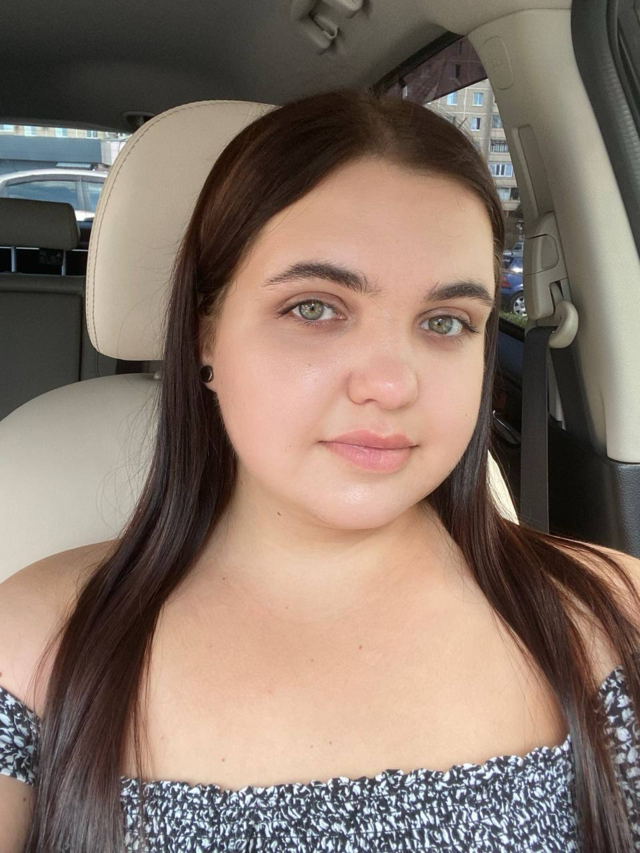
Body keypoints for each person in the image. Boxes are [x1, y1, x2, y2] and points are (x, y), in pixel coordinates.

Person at [1, 86, 640, 853]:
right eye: (314, 307)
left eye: (446, 322)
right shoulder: (33, 646)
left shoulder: (611, 619)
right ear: (206, 332)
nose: (391, 384)